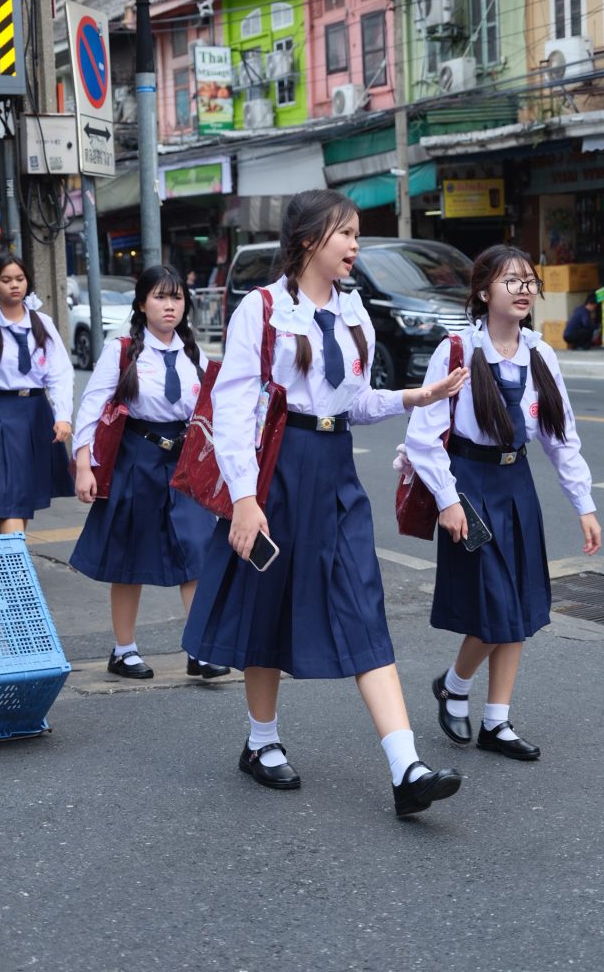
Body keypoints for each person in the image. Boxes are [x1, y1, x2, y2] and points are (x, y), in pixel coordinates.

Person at [182, 189, 469, 821]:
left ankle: (406, 767)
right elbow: (232, 410)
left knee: (363, 603)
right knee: (267, 603)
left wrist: (414, 397)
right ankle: (262, 741)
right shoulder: (262, 309)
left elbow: (353, 402)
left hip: (336, 471)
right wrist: (245, 499)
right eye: (346, 233)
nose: (355, 246)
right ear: (309, 238)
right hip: (278, 470)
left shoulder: (353, 310)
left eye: (357, 234)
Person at [404, 245, 601, 762]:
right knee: (497, 603)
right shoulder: (456, 351)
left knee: (521, 604)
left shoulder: (540, 354)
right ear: (483, 291)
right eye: (511, 281)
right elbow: (424, 436)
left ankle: (495, 719)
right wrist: (447, 499)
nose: (523, 289)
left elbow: (561, 438)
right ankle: (455, 685)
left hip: (517, 485)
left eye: (529, 281)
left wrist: (583, 504)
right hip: (469, 484)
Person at [70, 265, 228, 681]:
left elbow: (213, 410)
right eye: (160, 297)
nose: (170, 305)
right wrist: (84, 464)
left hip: (183, 461)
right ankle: (123, 651)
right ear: (142, 304)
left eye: (177, 297)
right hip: (136, 457)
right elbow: (92, 405)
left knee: (197, 549)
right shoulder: (122, 350)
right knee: (130, 555)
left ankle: (198, 649)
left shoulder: (193, 354)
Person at [0, 254, 75, 534]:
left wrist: (63, 416)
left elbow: (60, 372)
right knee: (10, 500)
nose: (14, 285)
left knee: (24, 497)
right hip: (0, 413)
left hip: (37, 412)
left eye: (19, 279)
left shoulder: (42, 322)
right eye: (6, 280)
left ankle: (13, 555)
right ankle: (13, 559)